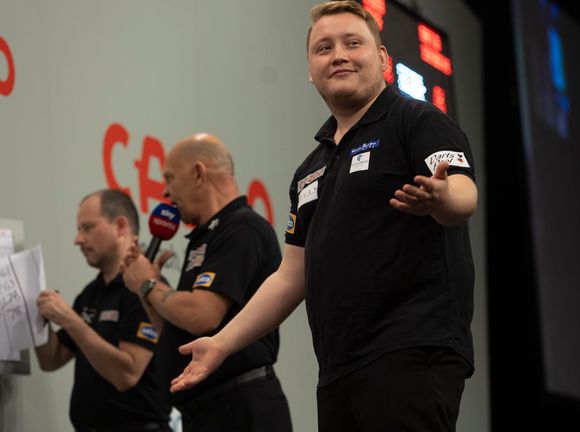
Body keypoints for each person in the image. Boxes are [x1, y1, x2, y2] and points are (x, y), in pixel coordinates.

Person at [170, 2, 478, 431]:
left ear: (383, 58)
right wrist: (222, 343)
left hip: (410, 350)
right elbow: (289, 276)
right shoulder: (310, 169)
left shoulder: (416, 120)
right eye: (324, 48)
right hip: (337, 369)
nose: (338, 56)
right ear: (310, 72)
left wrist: (442, 197)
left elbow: (463, 194)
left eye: (353, 43)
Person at [121, 133, 292, 432]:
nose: (166, 192)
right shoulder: (206, 235)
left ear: (199, 174)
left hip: (240, 410)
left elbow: (202, 315)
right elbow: (177, 332)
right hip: (205, 412)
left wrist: (148, 283)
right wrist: (146, 288)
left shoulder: (241, 227)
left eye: (170, 178)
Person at [34, 189, 170, 432]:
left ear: (120, 226)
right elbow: (51, 359)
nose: (78, 239)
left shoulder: (147, 289)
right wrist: (34, 317)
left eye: (87, 228)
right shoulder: (91, 293)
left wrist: (69, 319)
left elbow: (127, 374)